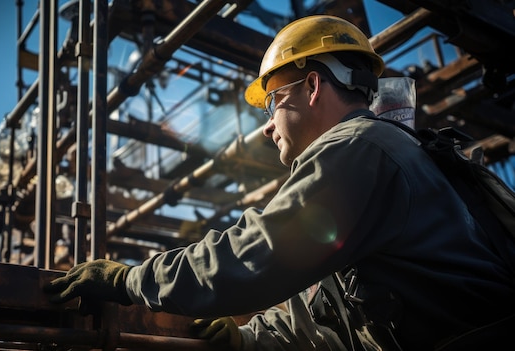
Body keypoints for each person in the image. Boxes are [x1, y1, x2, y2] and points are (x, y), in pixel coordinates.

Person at [43, 15, 515, 350]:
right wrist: (249, 339)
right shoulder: (379, 158)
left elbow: (257, 254)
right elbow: (333, 317)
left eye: (272, 104)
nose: (267, 126)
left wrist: (130, 279)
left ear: (312, 88)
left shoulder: (360, 148)